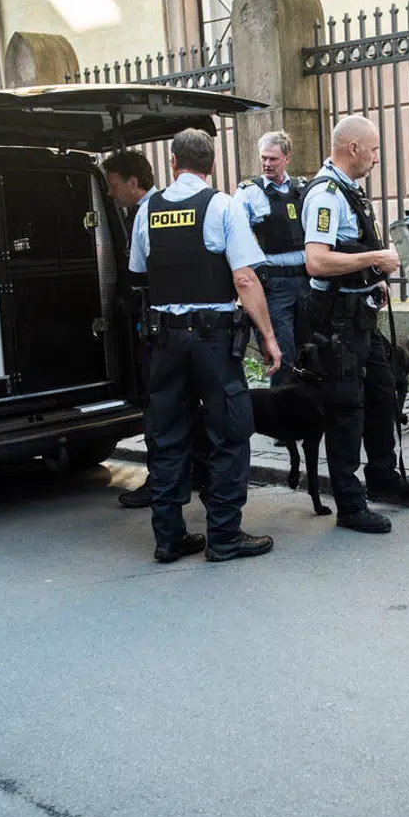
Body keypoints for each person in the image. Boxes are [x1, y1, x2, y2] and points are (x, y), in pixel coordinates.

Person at [129, 129, 282, 563]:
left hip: (164, 342)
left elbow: (139, 270)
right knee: (229, 434)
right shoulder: (222, 205)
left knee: (167, 435)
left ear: (173, 162)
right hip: (213, 342)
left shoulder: (149, 210)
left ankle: (168, 538)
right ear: (212, 165)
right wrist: (269, 338)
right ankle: (224, 538)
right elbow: (245, 278)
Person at [300, 116, 409, 535]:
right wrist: (375, 261)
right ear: (352, 148)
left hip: (361, 316)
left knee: (381, 394)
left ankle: (383, 478)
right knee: (346, 411)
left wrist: (373, 282)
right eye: (373, 149)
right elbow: (317, 260)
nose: (377, 158)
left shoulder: (349, 192)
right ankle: (350, 504)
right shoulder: (325, 195)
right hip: (338, 324)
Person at [105, 150, 210, 509]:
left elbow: (136, 276)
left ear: (134, 183)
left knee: (162, 411)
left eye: (113, 184)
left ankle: (162, 484)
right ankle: (196, 474)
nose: (109, 192)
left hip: (162, 329)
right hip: (200, 330)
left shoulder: (148, 213)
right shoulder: (179, 206)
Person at [236, 131, 308, 387]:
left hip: (306, 280)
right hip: (274, 285)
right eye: (263, 158)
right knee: (284, 354)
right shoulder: (247, 193)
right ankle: (284, 417)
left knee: (309, 351)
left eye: (273, 159)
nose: (267, 164)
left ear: (286, 158)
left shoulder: (302, 189)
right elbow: (237, 240)